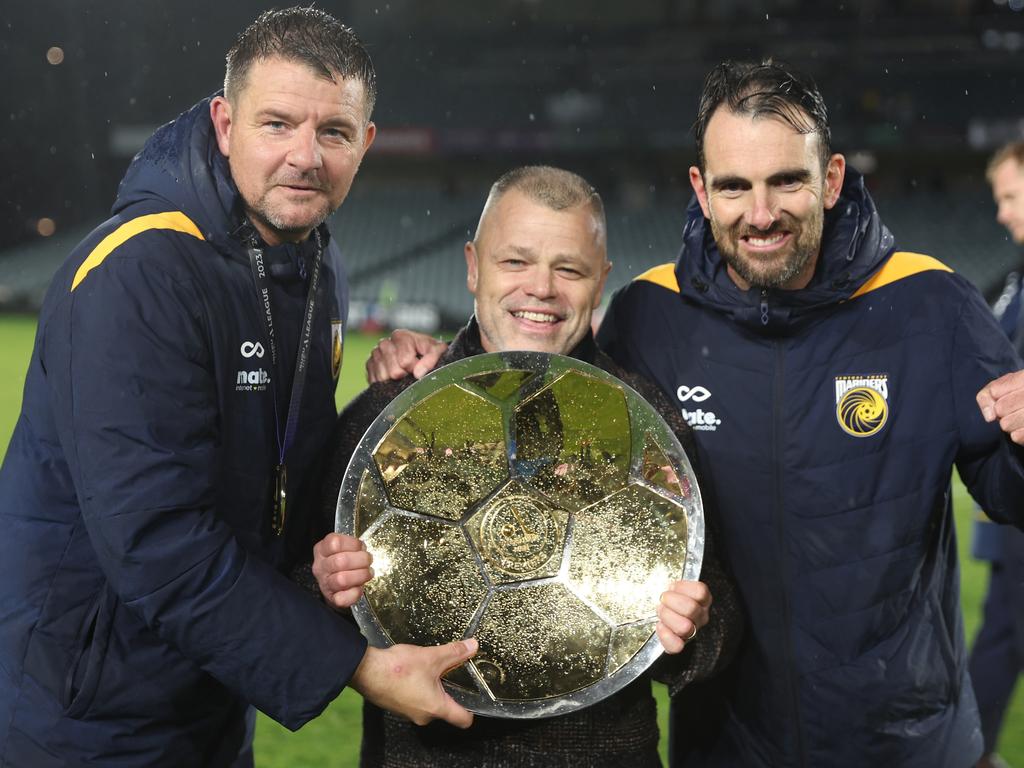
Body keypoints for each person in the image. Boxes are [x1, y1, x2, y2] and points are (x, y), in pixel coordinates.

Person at [371, 63, 1024, 767]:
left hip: (909, 743)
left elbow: (1009, 491)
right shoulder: (652, 315)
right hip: (725, 742)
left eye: (788, 181)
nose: (761, 212)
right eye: (734, 186)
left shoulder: (932, 304)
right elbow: (537, 403)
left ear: (831, 179)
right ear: (700, 190)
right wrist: (443, 363)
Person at [0, 8, 477, 767]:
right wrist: (358, 668)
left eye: (334, 133)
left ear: (366, 144)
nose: (305, 156)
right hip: (84, 708)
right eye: (277, 124)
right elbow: (157, 543)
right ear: (224, 124)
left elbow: (286, 471)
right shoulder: (143, 271)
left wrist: (393, 397)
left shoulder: (318, 265)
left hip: (212, 692)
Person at [313, 166, 742, 767]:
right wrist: (325, 584)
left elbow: (719, 621)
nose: (541, 288)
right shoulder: (388, 415)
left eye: (569, 268)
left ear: (601, 282)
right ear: (472, 266)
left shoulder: (646, 423)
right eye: (515, 262)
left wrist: (692, 630)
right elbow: (298, 596)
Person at [968, 141, 1024, 768]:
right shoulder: (1010, 285)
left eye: (1011, 196)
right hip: (1015, 509)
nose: (1004, 214)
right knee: (1003, 629)